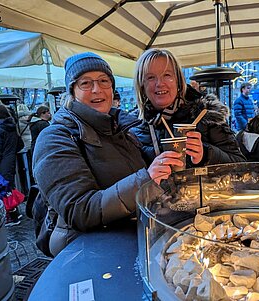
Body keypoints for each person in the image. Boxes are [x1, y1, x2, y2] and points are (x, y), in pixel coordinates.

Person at [32, 52, 171, 256]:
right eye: (85, 83)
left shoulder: (120, 128)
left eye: (104, 81)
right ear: (72, 92)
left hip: (132, 238)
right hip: (86, 250)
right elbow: (80, 210)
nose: (97, 89)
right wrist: (145, 180)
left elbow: (131, 169)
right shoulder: (55, 137)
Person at [132, 48, 245, 167]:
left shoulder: (206, 114)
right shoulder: (133, 126)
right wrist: (148, 175)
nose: (159, 83)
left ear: (178, 81)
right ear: (142, 85)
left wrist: (205, 154)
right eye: (150, 77)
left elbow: (240, 164)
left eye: (167, 75)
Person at [0, 104, 21, 225]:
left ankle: (9, 217)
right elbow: (20, 144)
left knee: (2, 191)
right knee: (9, 189)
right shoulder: (11, 127)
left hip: (1, 165)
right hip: (10, 162)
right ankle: (14, 214)